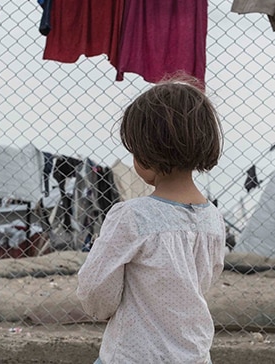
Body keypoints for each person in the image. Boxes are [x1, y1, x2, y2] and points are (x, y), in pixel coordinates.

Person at [76, 78, 226, 364]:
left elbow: (95, 285)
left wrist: (103, 310)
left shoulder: (132, 216)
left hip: (132, 355)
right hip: (194, 356)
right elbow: (206, 278)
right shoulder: (213, 220)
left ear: (146, 153)